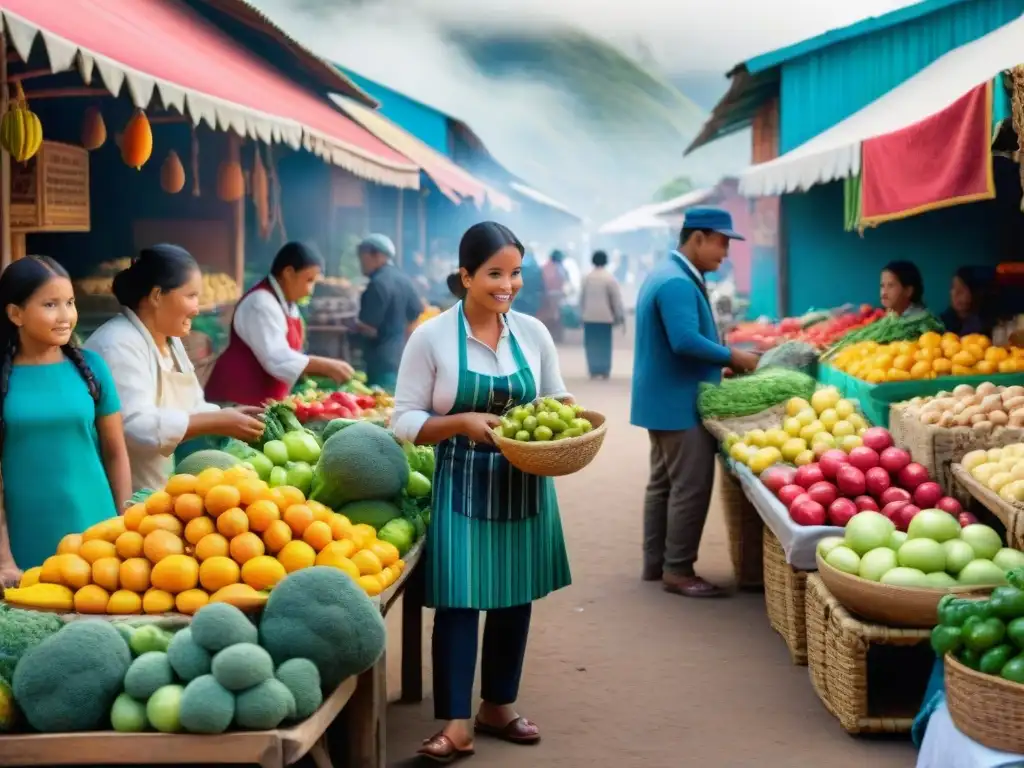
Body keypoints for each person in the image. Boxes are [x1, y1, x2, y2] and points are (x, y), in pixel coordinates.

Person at [393, 221, 572, 762]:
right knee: (459, 600)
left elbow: (558, 399)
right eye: (495, 273)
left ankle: (498, 704)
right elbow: (402, 419)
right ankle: (455, 722)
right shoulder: (430, 337)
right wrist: (460, 423)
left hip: (524, 478)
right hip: (462, 478)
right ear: (465, 275)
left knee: (515, 597)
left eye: (515, 273)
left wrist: (560, 428)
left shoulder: (533, 334)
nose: (508, 285)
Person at [631, 208, 759, 598]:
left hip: (662, 398)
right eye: (722, 242)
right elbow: (684, 341)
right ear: (698, 238)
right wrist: (732, 357)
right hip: (677, 401)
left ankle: (656, 562)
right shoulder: (677, 282)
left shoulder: (669, 272)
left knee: (663, 485)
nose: (725, 252)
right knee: (690, 486)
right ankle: (679, 569)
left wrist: (718, 363)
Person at [86, 245, 264, 491]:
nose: (196, 308)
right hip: (119, 491)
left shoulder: (170, 340)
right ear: (157, 296)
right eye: (190, 296)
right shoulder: (117, 344)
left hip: (157, 483)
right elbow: (136, 426)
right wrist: (217, 421)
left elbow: (191, 406)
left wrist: (228, 415)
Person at [0, 256, 130, 582]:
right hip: (26, 537)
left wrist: (123, 525)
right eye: (50, 304)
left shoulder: (93, 369)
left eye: (70, 303)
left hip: (97, 533)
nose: (65, 316)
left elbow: (116, 452)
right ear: (15, 313)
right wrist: (4, 560)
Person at [205, 242, 353, 406]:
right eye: (309, 280)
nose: (310, 290)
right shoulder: (261, 303)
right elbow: (277, 358)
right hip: (234, 400)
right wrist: (326, 366)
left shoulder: (288, 304)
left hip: (263, 403)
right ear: (289, 273)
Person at [355, 234, 424, 392]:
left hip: (379, 362)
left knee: (379, 404)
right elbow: (416, 315)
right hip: (400, 358)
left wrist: (351, 328)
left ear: (377, 255)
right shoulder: (404, 280)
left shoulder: (377, 284)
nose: (361, 264)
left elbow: (368, 328)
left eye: (363, 258)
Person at [580, 250, 625, 379]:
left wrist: (582, 314)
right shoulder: (609, 278)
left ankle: (593, 369)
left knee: (591, 344)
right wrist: (619, 315)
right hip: (605, 318)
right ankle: (604, 369)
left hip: (589, 317)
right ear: (606, 261)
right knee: (604, 345)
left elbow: (581, 298)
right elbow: (615, 299)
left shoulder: (587, 278)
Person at [941, 266, 996, 337]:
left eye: (962, 288)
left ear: (975, 292)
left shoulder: (986, 325)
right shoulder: (942, 323)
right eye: (953, 287)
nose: (955, 293)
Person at [538, 250, 567, 342]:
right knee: (556, 316)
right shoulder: (559, 268)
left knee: (549, 316)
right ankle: (557, 337)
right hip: (556, 295)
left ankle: (549, 338)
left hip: (547, 295)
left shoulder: (545, 267)